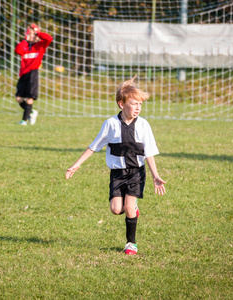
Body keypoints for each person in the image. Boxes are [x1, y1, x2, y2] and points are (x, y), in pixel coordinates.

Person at [65, 75, 166, 255]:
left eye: (140, 104)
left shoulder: (143, 125)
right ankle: (133, 209)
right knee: (116, 209)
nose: (138, 108)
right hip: (117, 174)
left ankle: (131, 243)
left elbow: (149, 152)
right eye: (134, 104)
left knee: (127, 208)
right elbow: (93, 146)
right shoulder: (110, 124)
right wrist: (76, 165)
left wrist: (155, 176)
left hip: (136, 172)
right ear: (121, 104)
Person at [14, 24, 53, 125]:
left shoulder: (40, 45)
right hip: (23, 73)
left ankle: (24, 120)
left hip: (33, 73)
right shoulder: (25, 45)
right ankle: (31, 112)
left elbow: (49, 38)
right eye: (29, 33)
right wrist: (24, 40)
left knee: (29, 98)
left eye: (32, 34)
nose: (31, 36)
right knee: (19, 98)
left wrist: (38, 33)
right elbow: (18, 51)